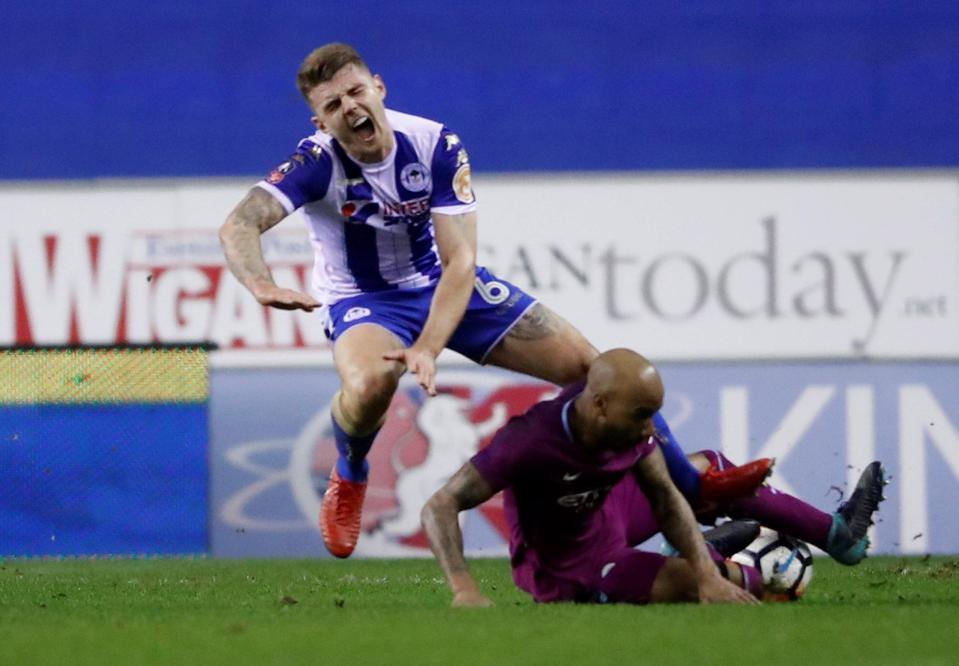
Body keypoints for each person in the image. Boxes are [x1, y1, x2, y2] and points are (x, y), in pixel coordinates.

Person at [218, 43, 770, 559]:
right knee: (368, 387)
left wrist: (430, 346)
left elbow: (459, 263)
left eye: (356, 92)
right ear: (320, 122)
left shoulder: (436, 144)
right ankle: (352, 468)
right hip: (366, 300)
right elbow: (240, 223)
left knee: (597, 372)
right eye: (333, 105)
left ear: (379, 88)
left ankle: (695, 487)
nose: (350, 109)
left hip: (445, 283)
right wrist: (259, 283)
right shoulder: (316, 163)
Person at [421, 349, 887, 606]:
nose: (651, 429)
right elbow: (440, 504)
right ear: (598, 405)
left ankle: (839, 536)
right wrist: (464, 588)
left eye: (655, 416)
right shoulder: (527, 441)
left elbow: (666, 499)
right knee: (714, 587)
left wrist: (705, 574)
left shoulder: (627, 428)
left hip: (611, 514)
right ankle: (728, 567)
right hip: (571, 571)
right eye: (643, 415)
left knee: (710, 472)